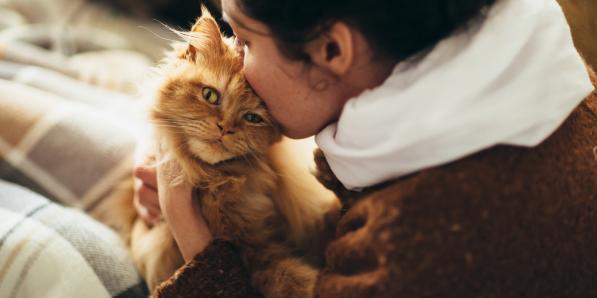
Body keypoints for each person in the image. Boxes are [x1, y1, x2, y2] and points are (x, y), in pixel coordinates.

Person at [134, 0, 597, 297]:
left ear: (333, 50)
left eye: (247, 41)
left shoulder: (408, 247)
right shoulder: (548, 72)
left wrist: (185, 219)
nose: (234, 57)